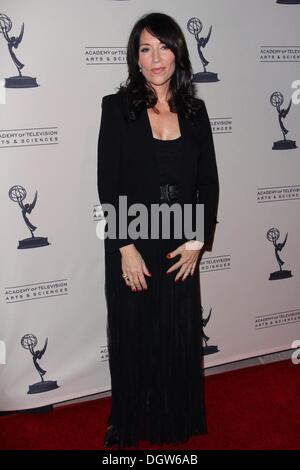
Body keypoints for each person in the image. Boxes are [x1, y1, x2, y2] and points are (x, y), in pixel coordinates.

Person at [97, 12, 219, 449]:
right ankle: (127, 419)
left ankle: (174, 417)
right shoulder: (116, 107)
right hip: (134, 239)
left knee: (175, 335)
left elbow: (208, 181)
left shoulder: (195, 109)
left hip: (181, 242)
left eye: (163, 46)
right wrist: (123, 247)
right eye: (145, 48)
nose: (155, 58)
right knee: (133, 335)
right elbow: (107, 183)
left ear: (177, 52)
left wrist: (198, 239)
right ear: (135, 56)